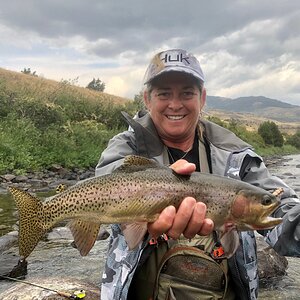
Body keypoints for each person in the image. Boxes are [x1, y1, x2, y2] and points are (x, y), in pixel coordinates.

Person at [95, 48, 300, 300]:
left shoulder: (235, 153)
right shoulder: (126, 147)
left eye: (187, 93)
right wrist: (155, 189)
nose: (175, 104)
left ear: (202, 98)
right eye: (164, 93)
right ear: (147, 99)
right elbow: (105, 184)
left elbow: (278, 203)